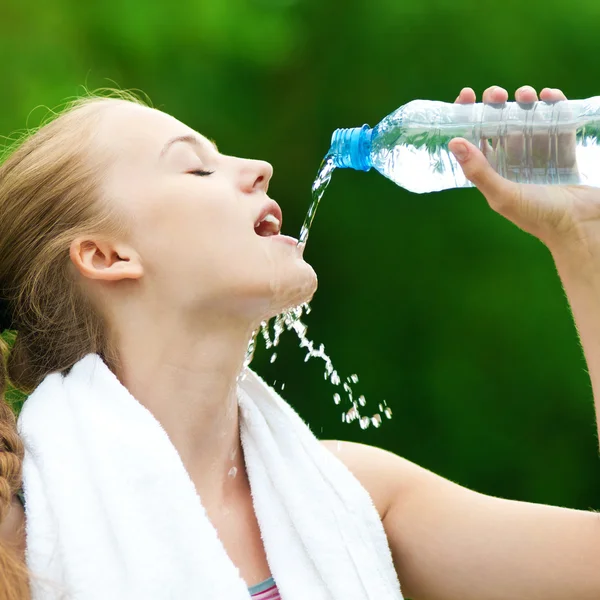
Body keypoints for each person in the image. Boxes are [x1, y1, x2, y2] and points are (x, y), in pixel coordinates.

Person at [0, 84, 598, 600]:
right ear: (107, 256)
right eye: (197, 166)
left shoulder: (353, 496)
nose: (258, 167)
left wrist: (582, 242)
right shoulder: (25, 530)